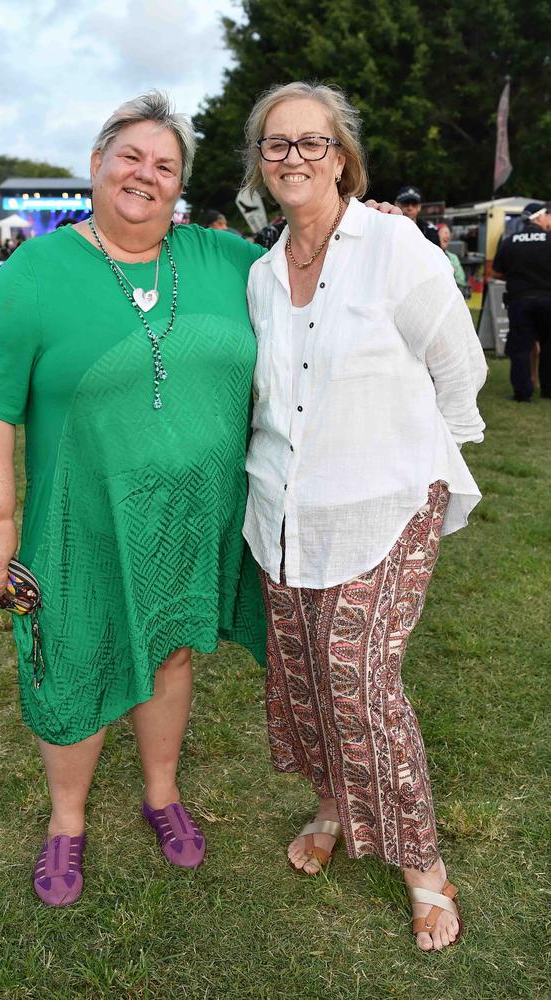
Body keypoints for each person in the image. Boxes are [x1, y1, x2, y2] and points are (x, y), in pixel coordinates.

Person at [0, 90, 273, 908]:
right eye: (130, 156)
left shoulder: (223, 262)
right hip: (81, 514)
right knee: (82, 651)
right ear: (97, 164)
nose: (145, 174)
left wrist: (361, 219)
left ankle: (161, 796)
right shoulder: (35, 272)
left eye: (165, 165)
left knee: (168, 649)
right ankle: (67, 823)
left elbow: (317, 269)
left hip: (191, 514)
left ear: (180, 187)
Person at [242, 81, 487, 951]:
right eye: (277, 145)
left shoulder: (396, 246)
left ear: (341, 156)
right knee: (304, 681)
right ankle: (333, 809)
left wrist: (426, 461)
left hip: (387, 501)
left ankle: (425, 870)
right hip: (283, 512)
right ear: (260, 162)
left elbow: (459, 371)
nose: (294, 158)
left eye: (312, 143)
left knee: (358, 683)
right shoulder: (262, 274)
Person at [492, 201, 551, 401]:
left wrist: (517, 278)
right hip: (547, 300)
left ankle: (523, 393)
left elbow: (496, 271)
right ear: (539, 217)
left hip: (520, 301)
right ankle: (548, 389)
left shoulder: (510, 241)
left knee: (521, 349)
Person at [437, 221, 469, 294]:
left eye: (448, 233)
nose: (448, 236)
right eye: (444, 232)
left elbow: (462, 280)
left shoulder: (453, 257)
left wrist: (453, 272)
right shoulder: (431, 255)